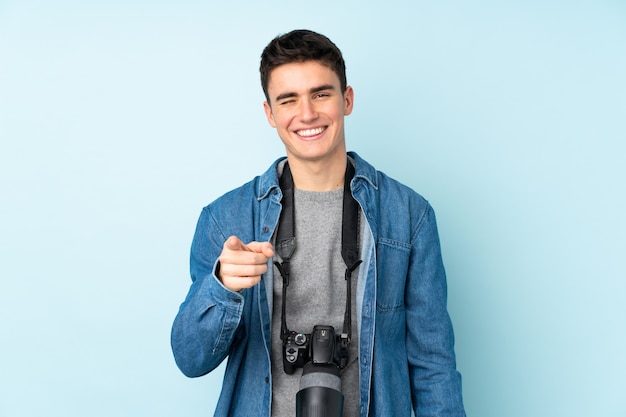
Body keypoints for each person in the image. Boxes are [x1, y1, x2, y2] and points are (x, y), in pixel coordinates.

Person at [171, 29, 466, 417]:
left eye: (321, 94)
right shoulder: (227, 219)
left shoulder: (409, 215)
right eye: (288, 100)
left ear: (347, 99)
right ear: (269, 114)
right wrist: (222, 287)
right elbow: (191, 359)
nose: (307, 113)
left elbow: (434, 366)